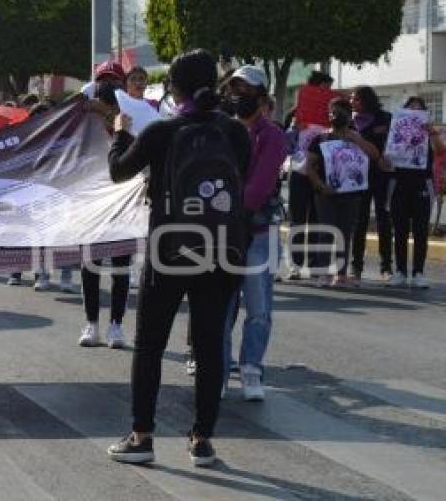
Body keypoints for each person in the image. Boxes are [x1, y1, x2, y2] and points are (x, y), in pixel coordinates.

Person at [106, 49, 251, 466]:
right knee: (209, 347)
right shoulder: (236, 132)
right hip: (223, 250)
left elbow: (118, 170)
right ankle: (202, 440)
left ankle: (142, 436)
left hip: (169, 249)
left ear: (173, 87)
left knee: (150, 344)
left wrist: (120, 132)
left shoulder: (161, 132)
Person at [221, 66, 287, 401]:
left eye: (246, 90)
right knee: (220, 307)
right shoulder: (223, 130)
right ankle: (217, 372)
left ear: (262, 98)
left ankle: (251, 369)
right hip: (222, 230)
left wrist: (239, 215)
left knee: (258, 308)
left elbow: (259, 185)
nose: (238, 95)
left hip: (258, 231)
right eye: (234, 89)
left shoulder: (272, 134)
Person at [77, 80, 133, 349]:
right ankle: (92, 323)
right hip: (91, 207)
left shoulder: (128, 126)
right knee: (90, 265)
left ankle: (116, 325)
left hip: (122, 205)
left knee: (120, 267)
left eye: (104, 105)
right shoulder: (83, 129)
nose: (99, 109)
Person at [307, 98, 385, 287]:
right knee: (326, 232)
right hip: (326, 194)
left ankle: (340, 275)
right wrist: (320, 185)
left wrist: (358, 140)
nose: (335, 116)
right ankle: (323, 273)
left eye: (340, 112)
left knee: (344, 234)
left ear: (349, 116)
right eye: (332, 112)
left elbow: (375, 156)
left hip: (351, 195)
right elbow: (309, 166)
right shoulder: (321, 138)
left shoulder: (356, 137)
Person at [386, 97, 445, 287]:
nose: (414, 114)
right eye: (410, 110)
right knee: (400, 230)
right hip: (399, 182)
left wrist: (432, 133)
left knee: (420, 230)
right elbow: (387, 158)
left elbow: (440, 151)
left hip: (422, 184)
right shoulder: (396, 130)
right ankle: (400, 271)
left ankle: (418, 272)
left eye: (418, 111)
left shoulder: (431, 132)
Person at [286, 71, 335, 280]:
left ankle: (314, 264)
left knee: (316, 219)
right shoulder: (295, 115)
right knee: (298, 219)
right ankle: (295, 265)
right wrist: (295, 128)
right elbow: (286, 143)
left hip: (319, 171)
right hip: (299, 170)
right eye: (325, 87)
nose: (327, 93)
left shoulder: (333, 114)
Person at [350, 86, 393, 281]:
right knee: (360, 221)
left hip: (382, 175)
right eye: (352, 99)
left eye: (356, 99)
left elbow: (395, 142)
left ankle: (386, 267)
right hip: (358, 177)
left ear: (366, 100)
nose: (353, 102)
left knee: (384, 220)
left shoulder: (385, 118)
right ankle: (356, 266)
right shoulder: (349, 121)